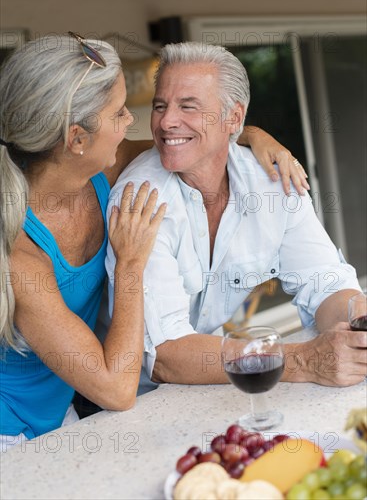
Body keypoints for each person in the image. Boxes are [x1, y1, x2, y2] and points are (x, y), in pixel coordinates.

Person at [0, 33, 305, 448]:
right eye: (120, 113)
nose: (133, 121)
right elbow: (116, 389)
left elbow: (195, 144)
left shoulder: (99, 170)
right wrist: (129, 265)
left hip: (59, 415)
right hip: (10, 432)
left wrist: (251, 131)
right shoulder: (19, 253)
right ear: (76, 139)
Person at [106, 42, 366, 391]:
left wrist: (357, 323)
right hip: (131, 402)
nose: (167, 122)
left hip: (217, 378)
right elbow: (164, 355)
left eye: (188, 106)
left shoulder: (273, 182)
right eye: (160, 106)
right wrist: (303, 359)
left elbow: (324, 283)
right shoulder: (140, 199)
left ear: (233, 117)